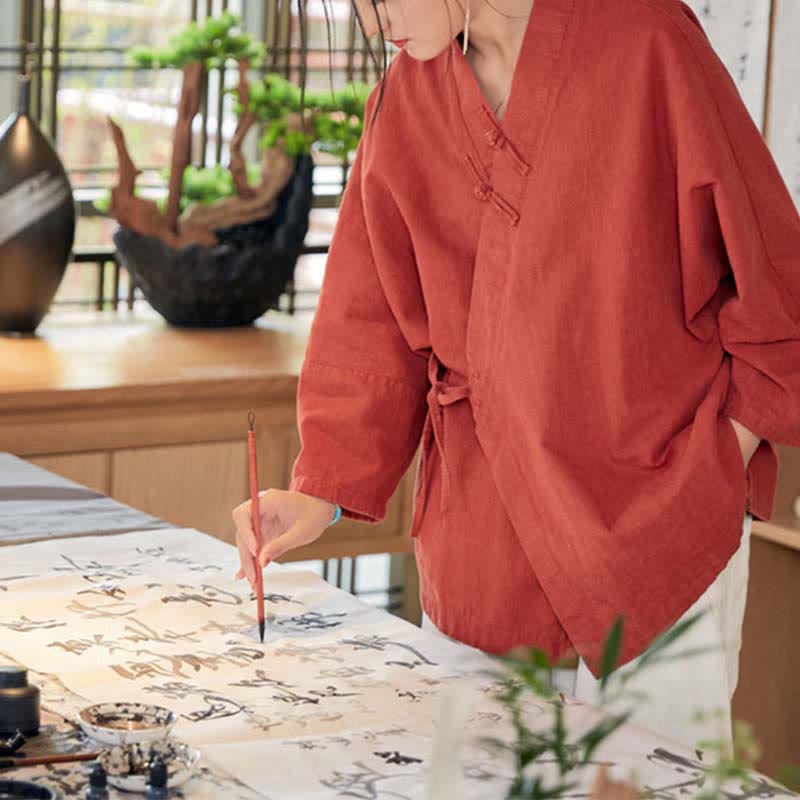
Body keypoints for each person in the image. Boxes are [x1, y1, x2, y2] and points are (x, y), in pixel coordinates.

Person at [232, 0, 800, 749]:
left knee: (646, 784)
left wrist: (717, 460)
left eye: (374, 0)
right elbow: (368, 322)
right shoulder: (406, 96)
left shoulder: (648, 42)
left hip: (661, 532)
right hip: (482, 544)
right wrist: (319, 495)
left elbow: (776, 280)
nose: (370, 28)